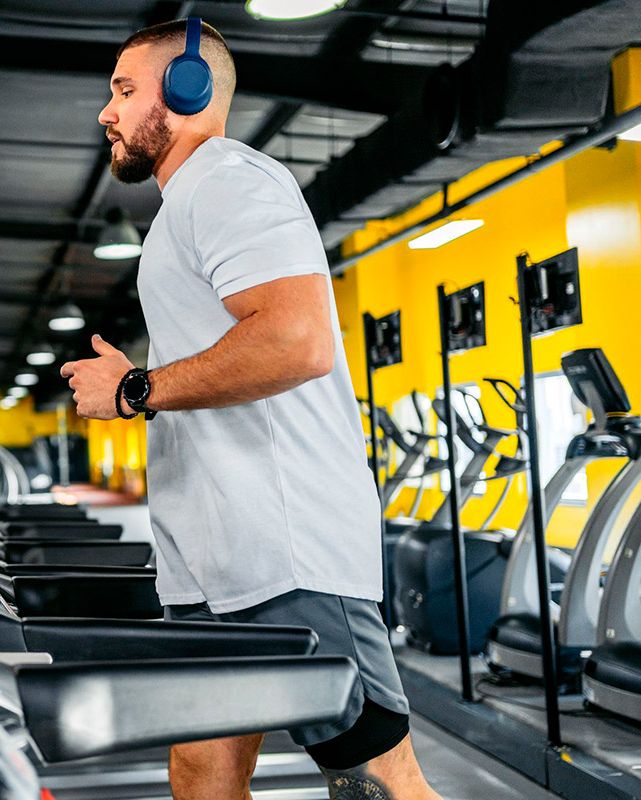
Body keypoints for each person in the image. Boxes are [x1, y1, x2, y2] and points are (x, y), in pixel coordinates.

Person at [59, 19, 442, 800]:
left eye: (125, 91)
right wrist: (146, 381)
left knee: (377, 777)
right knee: (201, 768)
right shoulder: (180, 211)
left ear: (188, 91)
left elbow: (299, 341)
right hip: (209, 558)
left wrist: (136, 390)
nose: (108, 111)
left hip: (283, 548)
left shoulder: (230, 180)